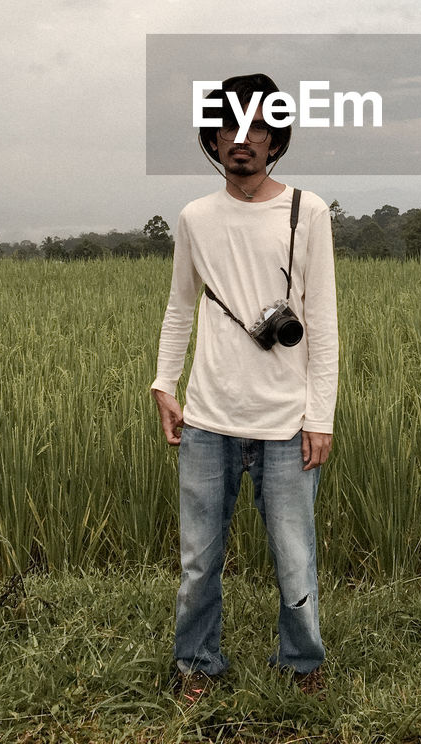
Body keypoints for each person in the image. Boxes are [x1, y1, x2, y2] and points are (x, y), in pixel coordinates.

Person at [150, 72, 338, 696]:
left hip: (287, 422)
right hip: (207, 417)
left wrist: (321, 416)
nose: (243, 140)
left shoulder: (307, 211)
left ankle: (301, 664)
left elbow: (323, 321)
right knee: (199, 558)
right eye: (230, 126)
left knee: (294, 555)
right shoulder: (195, 217)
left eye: (257, 127)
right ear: (212, 138)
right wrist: (163, 383)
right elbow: (181, 307)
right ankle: (197, 666)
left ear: (276, 140)